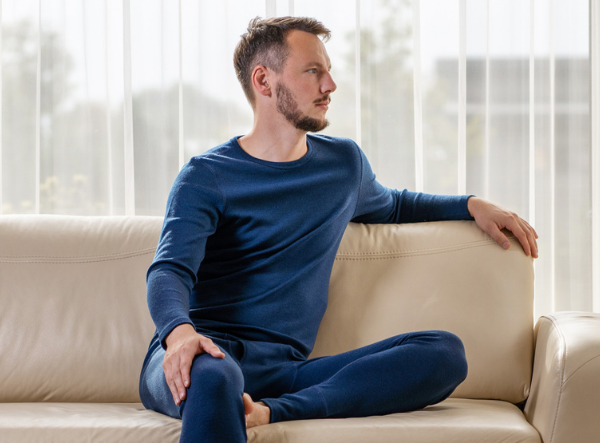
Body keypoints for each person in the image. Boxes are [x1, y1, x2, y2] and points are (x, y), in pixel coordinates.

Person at [138, 16, 538, 443]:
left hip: (286, 373)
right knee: (218, 378)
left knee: (443, 353)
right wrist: (181, 337)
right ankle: (235, 391)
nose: (330, 85)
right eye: (313, 71)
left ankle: (270, 412)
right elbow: (169, 271)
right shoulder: (207, 175)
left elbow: (395, 204)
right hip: (202, 358)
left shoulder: (343, 166)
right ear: (264, 80)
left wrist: (471, 204)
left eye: (328, 71)